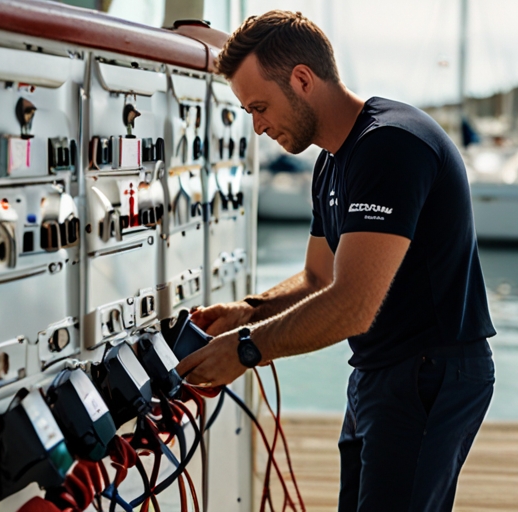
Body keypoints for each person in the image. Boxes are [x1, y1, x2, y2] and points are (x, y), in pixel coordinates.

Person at [176, 10, 496, 512]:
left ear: (302, 79)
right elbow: (317, 277)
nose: (257, 127)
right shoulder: (331, 162)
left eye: (260, 107)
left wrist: (244, 350)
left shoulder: (390, 145)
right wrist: (248, 311)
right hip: (376, 373)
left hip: (431, 373)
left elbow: (352, 305)